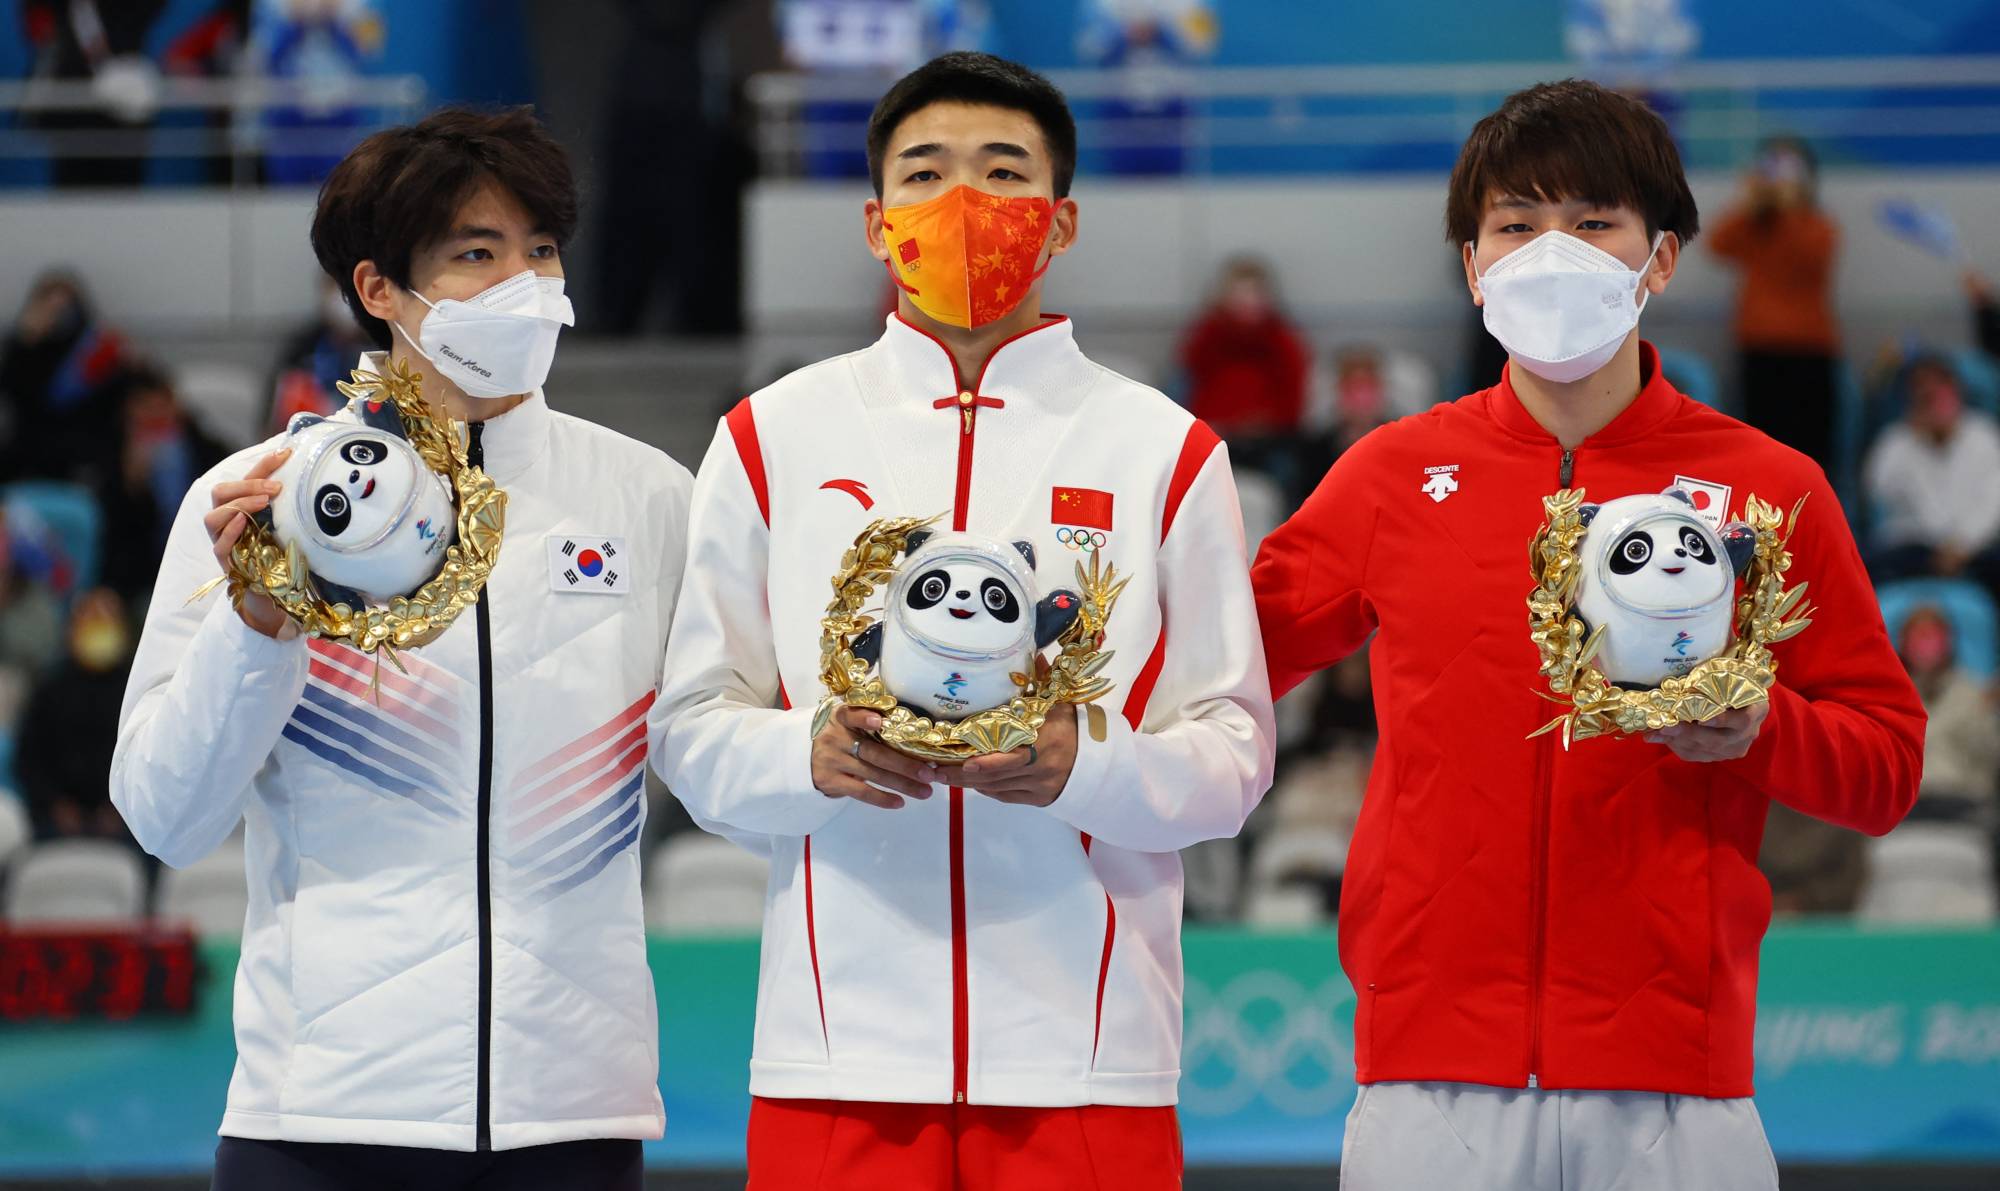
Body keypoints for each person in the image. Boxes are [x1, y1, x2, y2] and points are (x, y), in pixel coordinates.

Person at [1251, 80, 1924, 1190]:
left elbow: (1886, 767)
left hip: (1675, 1085)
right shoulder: (1384, 477)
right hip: (1430, 1080)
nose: (1549, 253)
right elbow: (1208, 673)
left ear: (1657, 259)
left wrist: (1759, 726)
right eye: (1515, 225)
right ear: (1471, 266)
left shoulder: (1767, 488)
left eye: (1591, 222)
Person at [651, 52, 1273, 1190]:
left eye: (1001, 173)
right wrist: (808, 752)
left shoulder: (1162, 452)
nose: (963, 204)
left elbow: (1234, 756)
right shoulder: (771, 437)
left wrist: (1082, 767)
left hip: (1087, 1060)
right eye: (926, 175)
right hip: (836, 1058)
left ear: (1060, 219)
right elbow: (689, 727)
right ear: (878, 222)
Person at [112, 107, 691, 1190]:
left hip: (569, 1114)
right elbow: (165, 816)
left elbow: (717, 753)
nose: (525, 283)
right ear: (379, 289)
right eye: (478, 254)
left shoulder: (651, 498)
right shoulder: (259, 503)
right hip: (318, 1116)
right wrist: (258, 626)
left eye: (542, 250)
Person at [1707, 136, 1841, 473]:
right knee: (1763, 446)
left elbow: (1811, 258)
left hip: (1810, 350)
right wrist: (1751, 202)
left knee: (1811, 448)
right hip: (1759, 348)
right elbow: (1718, 244)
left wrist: (1789, 206)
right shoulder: (1753, 224)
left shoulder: (1819, 226)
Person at [1864, 354, 2000, 600]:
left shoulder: (1984, 435)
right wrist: (1916, 440)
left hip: (1975, 548)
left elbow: (1993, 504)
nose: (1933, 399)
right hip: (1916, 547)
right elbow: (1878, 489)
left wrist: (1961, 547)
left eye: (1939, 390)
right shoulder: (1897, 440)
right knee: (1872, 564)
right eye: (1923, 393)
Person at [94, 363, 231, 605]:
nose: (156, 421)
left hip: (206, 564)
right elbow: (112, 535)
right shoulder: (112, 458)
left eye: (161, 411)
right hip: (140, 576)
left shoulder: (203, 447)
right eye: (147, 415)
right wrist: (132, 488)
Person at [16, 588, 133, 844]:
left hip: (124, 817)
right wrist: (56, 805)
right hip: (55, 818)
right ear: (72, 628)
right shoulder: (49, 690)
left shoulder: (137, 690)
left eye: (107, 619)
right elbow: (29, 760)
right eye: (91, 619)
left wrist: (118, 809)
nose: (99, 627)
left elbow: (148, 756)